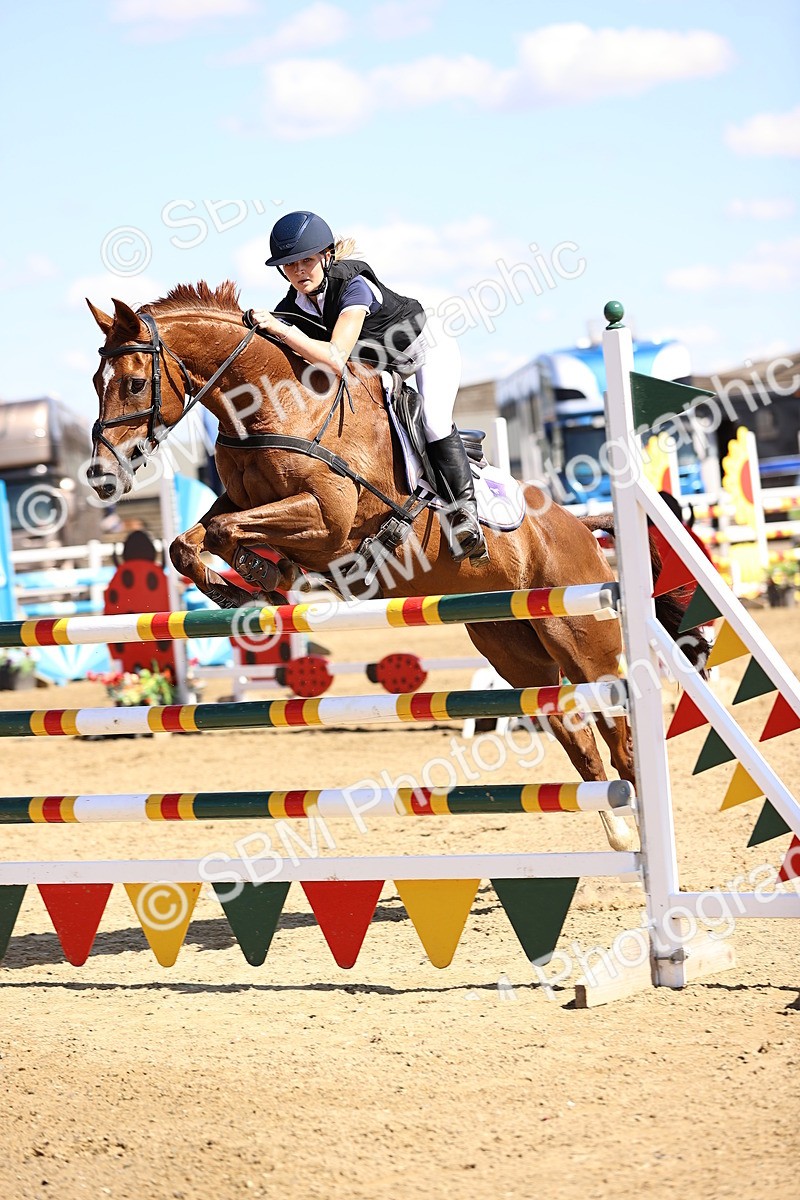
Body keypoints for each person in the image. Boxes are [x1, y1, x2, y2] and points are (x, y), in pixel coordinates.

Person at [248, 210, 487, 562]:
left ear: (326, 256)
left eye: (307, 261)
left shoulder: (354, 284)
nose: (299, 271)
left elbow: (334, 357)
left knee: (434, 422)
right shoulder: (291, 307)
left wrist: (281, 330)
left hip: (424, 352)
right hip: (382, 370)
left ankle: (465, 516)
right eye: (289, 265)